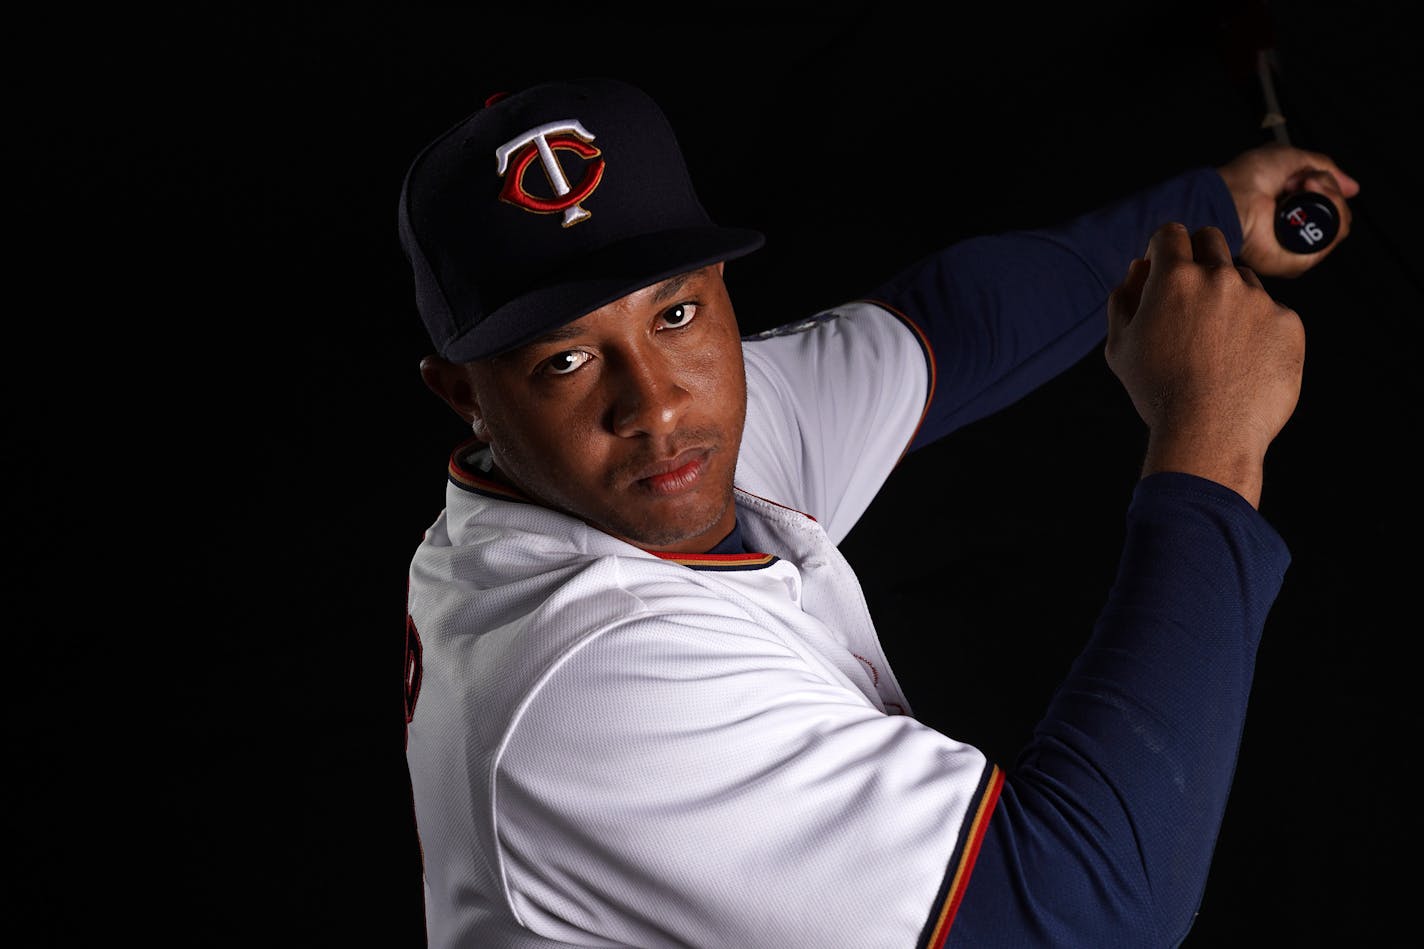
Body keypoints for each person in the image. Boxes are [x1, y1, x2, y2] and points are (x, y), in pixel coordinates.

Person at [396, 77, 1357, 948]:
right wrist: (1211, 441)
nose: (655, 404)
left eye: (674, 312)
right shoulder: (591, 684)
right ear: (462, 395)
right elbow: (1090, 915)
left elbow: (949, 324)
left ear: (719, 290)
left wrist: (1211, 214)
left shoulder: (626, 461)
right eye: (562, 360)